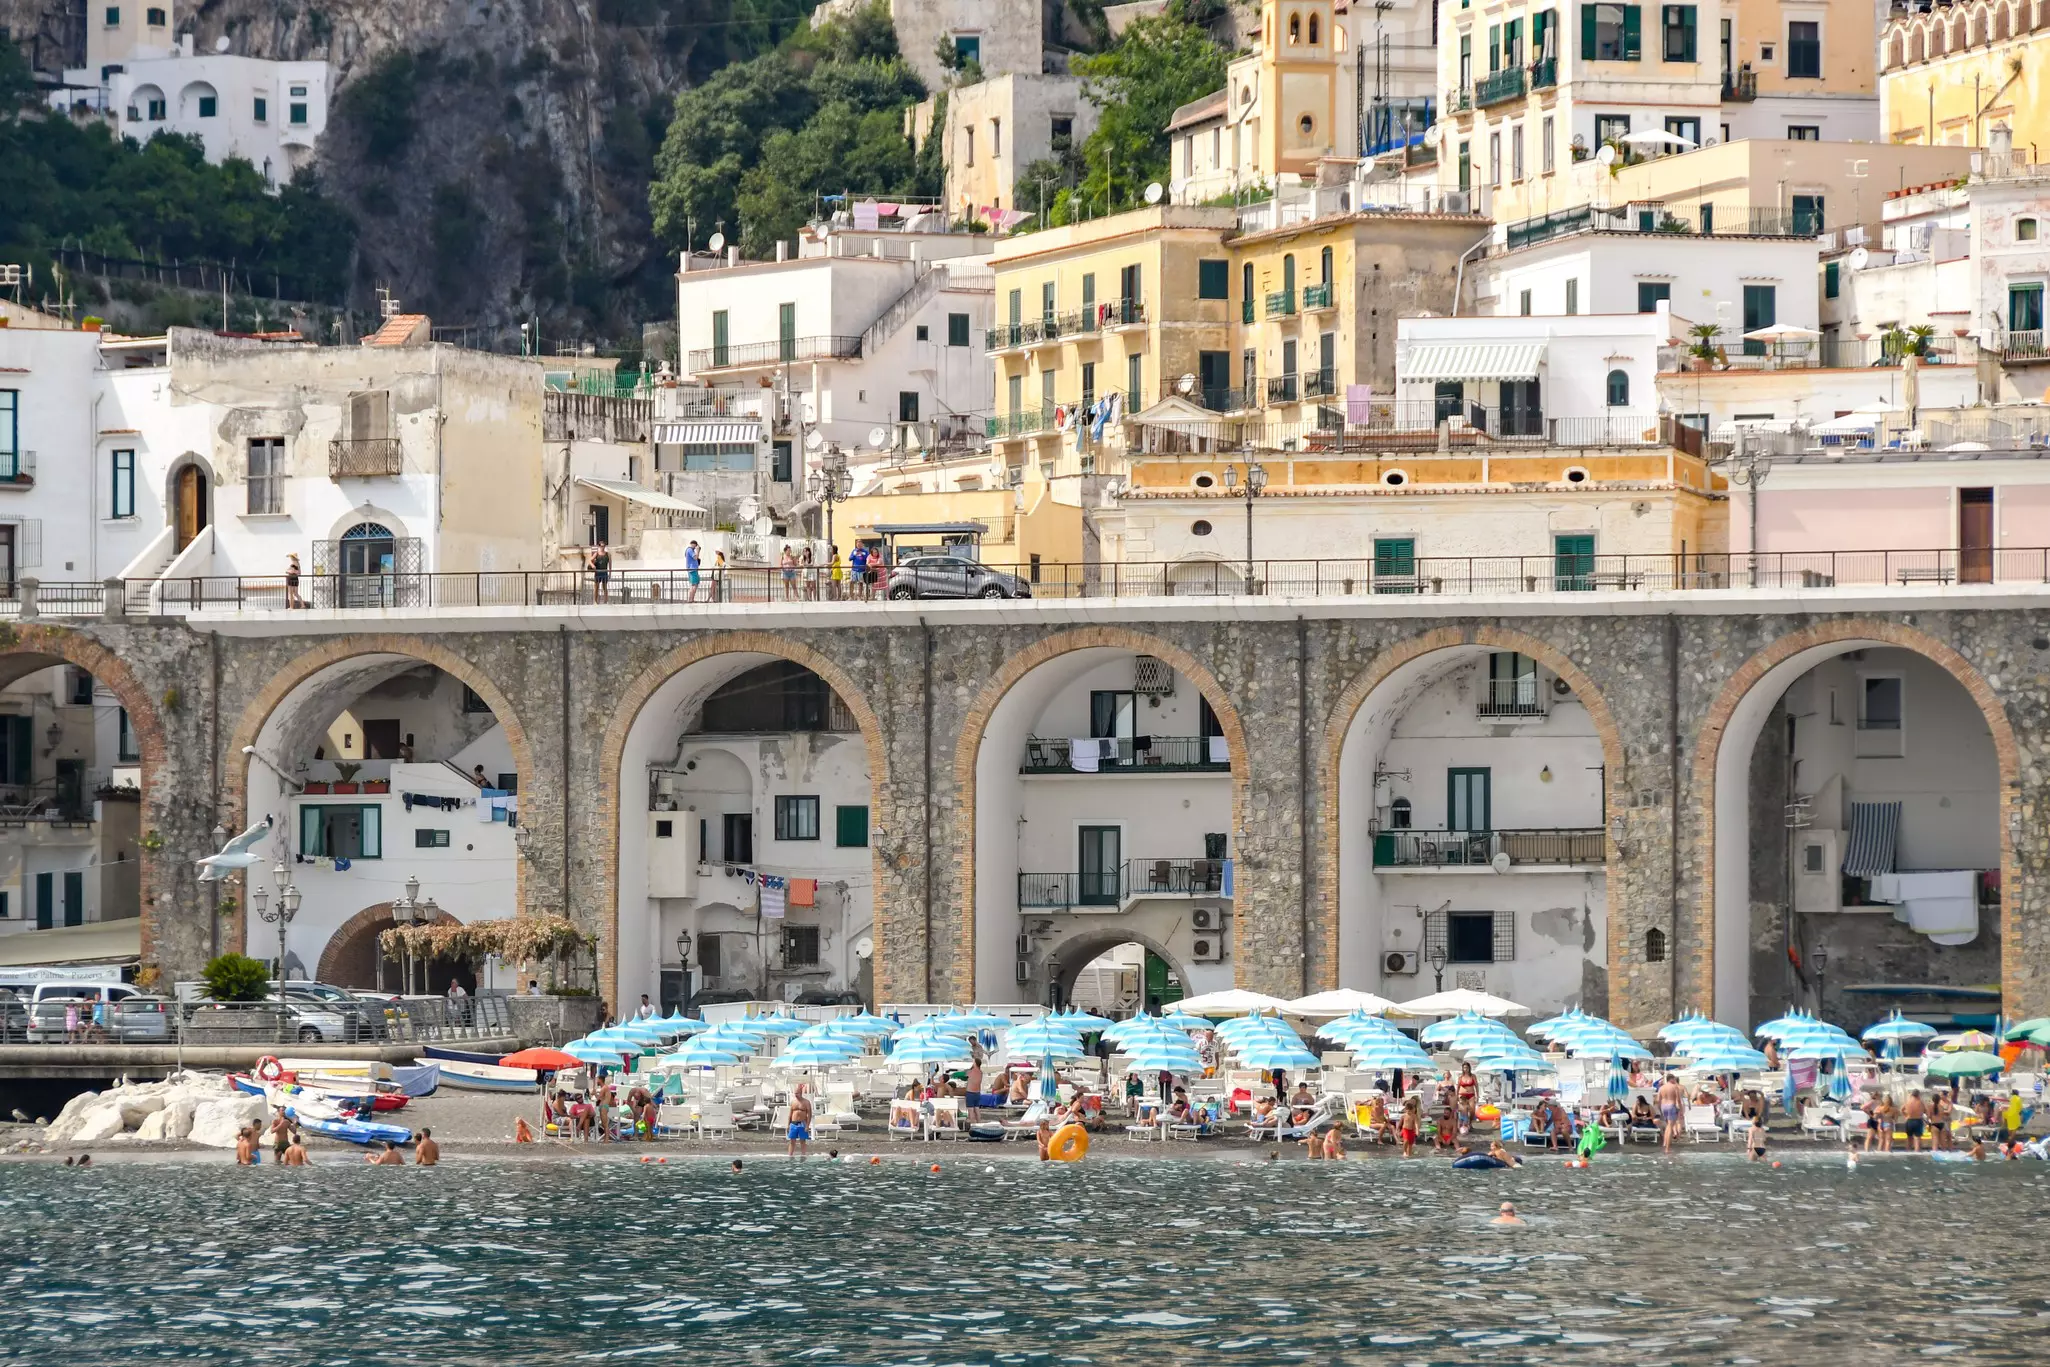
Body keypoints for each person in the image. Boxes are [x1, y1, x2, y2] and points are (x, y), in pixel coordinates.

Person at [1656, 1072, 1686, 1154]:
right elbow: (1678, 1100)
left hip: (1663, 1107)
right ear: (1672, 1079)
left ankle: (1665, 1144)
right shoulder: (1674, 1087)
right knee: (1670, 1127)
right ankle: (1667, 1149)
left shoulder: (1661, 1088)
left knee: (1667, 1126)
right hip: (1671, 1106)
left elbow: (1658, 1100)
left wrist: (1660, 1109)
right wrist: (1680, 1110)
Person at [787, 1083, 813, 1159]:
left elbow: (809, 1115)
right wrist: (788, 1125)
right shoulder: (793, 1102)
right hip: (793, 1124)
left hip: (802, 1124)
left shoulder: (806, 1102)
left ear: (801, 1093)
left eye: (797, 1093)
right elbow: (790, 1115)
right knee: (792, 1141)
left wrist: (807, 1125)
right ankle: (790, 1156)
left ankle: (803, 1156)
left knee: (802, 1141)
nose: (796, 1095)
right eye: (795, 1093)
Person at [1455, 1062, 1479, 1127]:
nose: (1466, 1069)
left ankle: (1470, 1123)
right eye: (1464, 1067)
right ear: (1462, 1068)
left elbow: (1476, 1086)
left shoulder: (1473, 1076)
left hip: (1471, 1094)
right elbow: (1458, 1087)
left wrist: (1477, 1095)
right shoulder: (1460, 1077)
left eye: (1467, 1067)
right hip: (1462, 1094)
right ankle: (1461, 1123)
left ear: (1469, 1068)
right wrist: (1456, 1095)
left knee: (1472, 1110)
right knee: (1462, 1110)